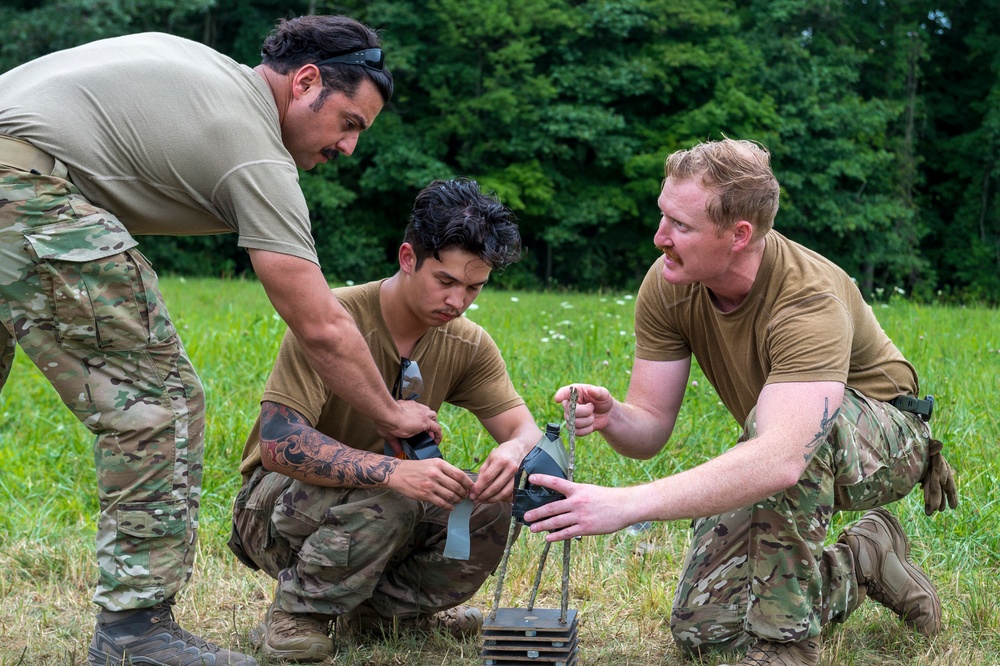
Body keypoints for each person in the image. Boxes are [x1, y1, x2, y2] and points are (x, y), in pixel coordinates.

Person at [0, 15, 440, 666]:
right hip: (25, 190)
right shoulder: (253, 144)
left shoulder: (204, 72)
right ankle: (137, 635)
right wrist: (390, 412)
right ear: (306, 82)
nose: (348, 147)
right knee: (159, 405)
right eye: (348, 123)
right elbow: (318, 321)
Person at [523, 139, 958, 666]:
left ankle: (785, 646)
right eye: (663, 217)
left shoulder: (808, 298)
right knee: (704, 631)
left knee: (788, 446)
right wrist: (615, 417)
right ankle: (864, 559)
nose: (659, 237)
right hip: (779, 443)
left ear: (739, 235)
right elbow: (652, 427)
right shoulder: (670, 283)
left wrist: (624, 504)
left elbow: (782, 458)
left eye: (679, 226)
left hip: (882, 440)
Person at [229, 177, 543, 663]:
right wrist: (395, 472)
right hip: (274, 507)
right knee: (396, 493)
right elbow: (277, 442)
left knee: (488, 502)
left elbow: (524, 431)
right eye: (446, 281)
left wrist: (512, 451)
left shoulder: (468, 343)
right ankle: (298, 614)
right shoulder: (329, 320)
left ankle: (385, 613)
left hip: (378, 510)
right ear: (408, 258)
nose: (457, 301)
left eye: (474, 288)